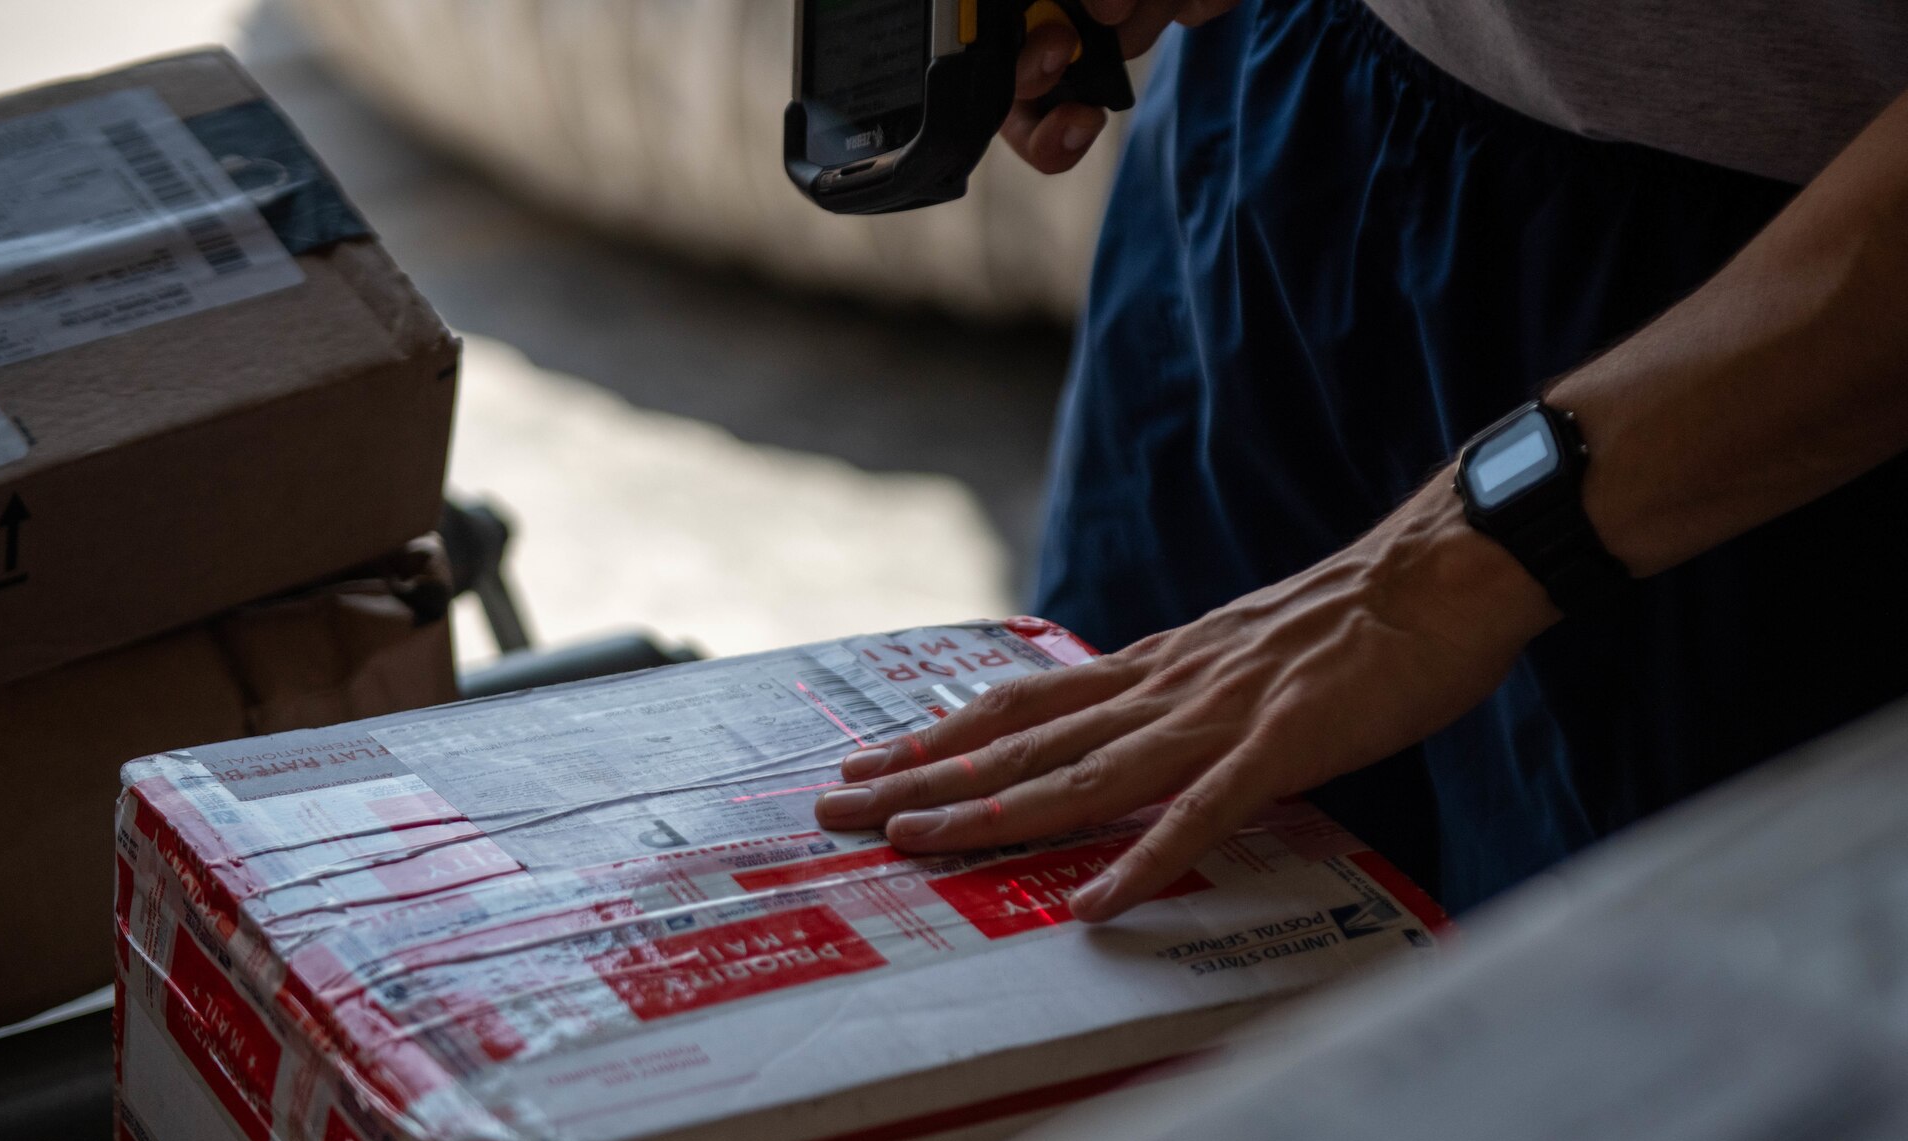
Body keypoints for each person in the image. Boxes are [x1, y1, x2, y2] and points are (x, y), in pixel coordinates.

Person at [817, 0, 1908, 921]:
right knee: (1101, 921)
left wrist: (1448, 565)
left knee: (1564, 1077)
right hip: (1290, 99)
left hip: (1755, 310)